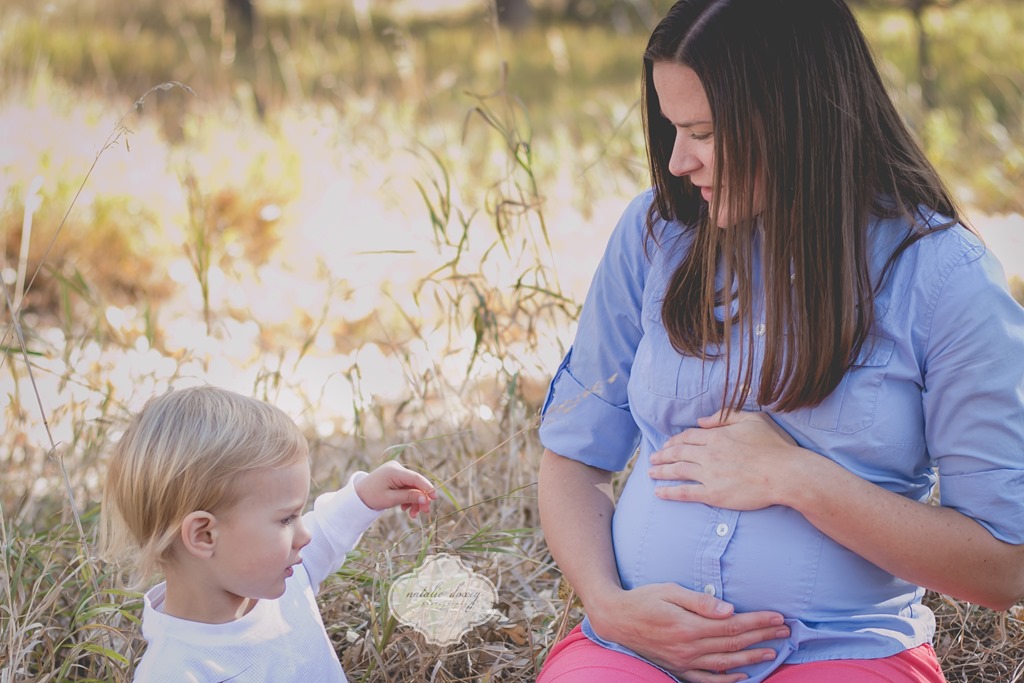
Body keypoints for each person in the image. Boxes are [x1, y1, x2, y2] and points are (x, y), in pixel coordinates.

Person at [535, 1, 1024, 682]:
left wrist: (797, 478)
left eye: (702, 131)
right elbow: (571, 458)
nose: (677, 160)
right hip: (634, 648)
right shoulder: (656, 236)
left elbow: (1004, 565)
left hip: (840, 651)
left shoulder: (942, 278)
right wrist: (609, 605)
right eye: (673, 128)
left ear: (795, 116)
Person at [100, 385, 436, 681]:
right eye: (287, 519)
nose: (303, 535)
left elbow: (328, 530)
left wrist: (365, 495)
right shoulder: (176, 672)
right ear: (204, 536)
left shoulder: (278, 579)